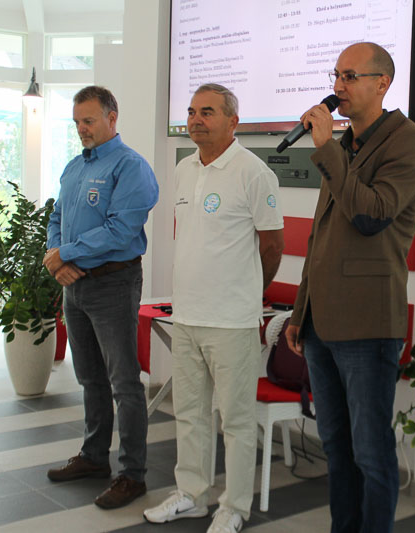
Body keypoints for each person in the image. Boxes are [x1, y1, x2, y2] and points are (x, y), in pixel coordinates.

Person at [284, 42, 415, 533]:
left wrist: (327, 149)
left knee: (370, 451)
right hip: (321, 323)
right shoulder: (345, 145)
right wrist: (300, 312)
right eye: (336, 75)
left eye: (350, 76)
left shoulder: (409, 143)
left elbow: (371, 215)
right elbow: (321, 237)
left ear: (382, 83)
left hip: (367, 323)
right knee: (336, 446)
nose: (338, 86)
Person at [142, 83, 284, 533]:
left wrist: (245, 292)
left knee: (236, 420)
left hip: (231, 321)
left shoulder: (254, 172)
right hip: (186, 316)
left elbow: (272, 246)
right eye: (191, 111)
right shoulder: (184, 169)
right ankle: (192, 495)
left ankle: (234, 506)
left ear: (233, 121)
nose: (195, 119)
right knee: (189, 413)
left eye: (207, 112)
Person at [43, 85, 158, 509]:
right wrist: (56, 257)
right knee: (89, 377)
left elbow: (120, 230)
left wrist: (65, 255)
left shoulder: (131, 167)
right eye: (77, 122)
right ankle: (94, 457)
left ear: (112, 118)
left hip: (113, 283)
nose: (81, 129)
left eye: (89, 121)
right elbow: (57, 217)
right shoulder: (75, 166)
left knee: (124, 382)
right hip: (75, 285)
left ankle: (133, 474)